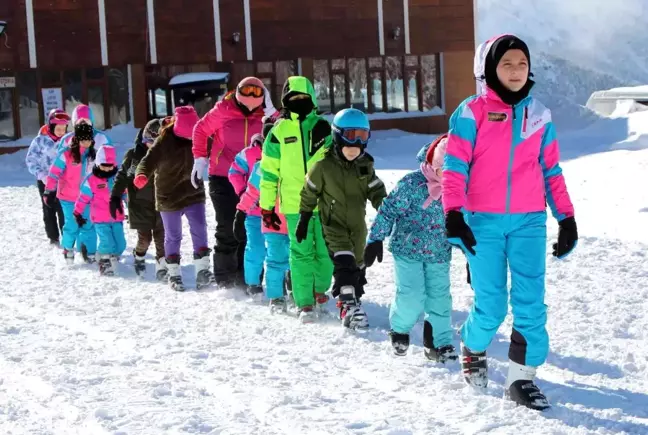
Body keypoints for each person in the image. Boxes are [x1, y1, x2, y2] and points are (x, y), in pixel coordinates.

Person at [443, 34, 577, 410]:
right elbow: (454, 166)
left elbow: (551, 169)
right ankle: (473, 344)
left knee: (531, 303)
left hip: (529, 222)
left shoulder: (539, 114)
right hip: (481, 221)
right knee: (492, 305)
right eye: (507, 64)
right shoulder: (472, 112)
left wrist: (566, 217)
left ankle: (521, 378)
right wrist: (453, 213)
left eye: (522, 63)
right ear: (489, 68)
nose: (516, 71)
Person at [368, 134, 456, 361]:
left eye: (452, 173)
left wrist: (473, 258)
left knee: (440, 298)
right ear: (432, 164)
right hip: (408, 250)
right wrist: (376, 238)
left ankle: (439, 341)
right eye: (441, 172)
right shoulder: (412, 184)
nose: (445, 179)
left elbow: (464, 223)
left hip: (439, 252)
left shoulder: (457, 192)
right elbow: (388, 210)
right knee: (412, 295)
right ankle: (400, 328)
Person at [299, 108, 386, 328]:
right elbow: (309, 192)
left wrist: (385, 209)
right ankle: (349, 307)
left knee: (358, 268)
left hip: (357, 228)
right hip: (333, 226)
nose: (354, 147)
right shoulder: (323, 166)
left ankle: (351, 302)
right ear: (337, 136)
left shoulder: (365, 165)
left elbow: (376, 191)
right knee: (344, 265)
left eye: (362, 138)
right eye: (350, 140)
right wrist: (305, 215)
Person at [259, 76, 335, 323]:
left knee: (325, 253)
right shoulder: (277, 133)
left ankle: (319, 290)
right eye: (293, 99)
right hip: (294, 206)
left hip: (324, 204)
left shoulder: (323, 127)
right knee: (301, 253)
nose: (299, 102)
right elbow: (269, 173)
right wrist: (267, 207)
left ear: (312, 99)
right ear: (285, 101)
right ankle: (305, 304)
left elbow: (338, 166)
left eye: (304, 98)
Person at [192, 77, 278, 286]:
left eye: (256, 92)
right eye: (246, 91)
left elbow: (287, 128)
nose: (251, 96)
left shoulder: (267, 115)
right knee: (227, 226)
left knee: (252, 229)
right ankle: (224, 278)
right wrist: (200, 158)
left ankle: (247, 278)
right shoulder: (224, 109)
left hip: (256, 180)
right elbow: (201, 129)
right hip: (222, 176)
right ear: (238, 92)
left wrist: (272, 112)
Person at [135, 106, 213, 291]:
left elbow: (217, 146)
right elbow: (148, 160)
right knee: (173, 234)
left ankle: (202, 270)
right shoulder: (164, 140)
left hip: (193, 191)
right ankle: (174, 273)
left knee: (200, 228)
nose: (189, 139)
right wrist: (141, 174)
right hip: (168, 195)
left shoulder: (201, 134)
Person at [43, 104, 110, 265]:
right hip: (68, 195)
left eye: (87, 121)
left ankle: (90, 252)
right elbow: (55, 170)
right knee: (71, 224)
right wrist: (49, 190)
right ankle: (68, 249)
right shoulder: (67, 143)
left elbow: (109, 165)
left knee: (88, 224)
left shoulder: (100, 140)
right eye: (80, 122)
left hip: (89, 195)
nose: (84, 125)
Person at [111, 118, 168, 279]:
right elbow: (122, 176)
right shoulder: (134, 156)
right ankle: (139, 256)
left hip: (161, 203)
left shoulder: (165, 155)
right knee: (145, 238)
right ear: (145, 140)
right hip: (139, 204)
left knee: (161, 237)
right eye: (151, 142)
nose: (154, 146)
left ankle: (162, 265)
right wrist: (115, 195)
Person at [228, 117, 276, 297]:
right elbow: (234, 172)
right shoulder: (248, 153)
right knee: (256, 248)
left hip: (277, 213)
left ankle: (282, 284)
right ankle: (253, 283)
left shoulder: (285, 153)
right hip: (253, 211)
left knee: (278, 251)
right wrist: (242, 192)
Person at [74, 145, 126, 275]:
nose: (108, 168)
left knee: (121, 243)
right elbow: (83, 198)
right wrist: (77, 212)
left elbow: (125, 193)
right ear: (98, 163)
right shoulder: (91, 180)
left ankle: (113, 254)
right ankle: (104, 260)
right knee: (106, 240)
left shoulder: (118, 177)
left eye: (110, 165)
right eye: (104, 165)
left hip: (116, 216)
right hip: (100, 218)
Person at [26, 108, 70, 245]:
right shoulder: (40, 141)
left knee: (64, 208)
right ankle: (53, 235)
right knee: (48, 207)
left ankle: (67, 235)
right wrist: (42, 175)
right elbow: (31, 160)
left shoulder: (68, 141)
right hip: (45, 181)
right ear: (51, 126)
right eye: (58, 128)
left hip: (65, 181)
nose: (61, 131)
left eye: (64, 128)